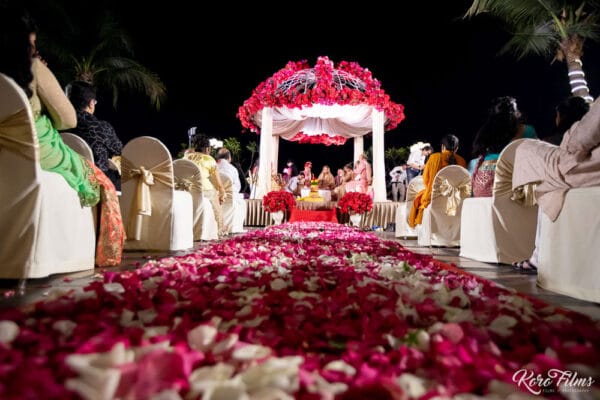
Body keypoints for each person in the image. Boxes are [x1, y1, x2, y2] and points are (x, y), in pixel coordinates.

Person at [0, 6, 124, 267]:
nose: (34, 50)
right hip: (34, 153)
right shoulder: (31, 67)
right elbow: (68, 119)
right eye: (32, 44)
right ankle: (90, 255)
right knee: (100, 181)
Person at [511, 96, 599, 274]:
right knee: (548, 181)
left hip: (583, 165)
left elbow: (582, 138)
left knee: (525, 150)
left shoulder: (533, 134)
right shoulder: (530, 130)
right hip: (589, 166)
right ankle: (537, 256)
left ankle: (537, 256)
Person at [65, 80, 123, 190]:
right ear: (91, 103)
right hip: (97, 181)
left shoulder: (59, 125)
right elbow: (119, 150)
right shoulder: (100, 127)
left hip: (67, 175)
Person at [408, 134, 467, 227]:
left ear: (443, 146)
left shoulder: (434, 158)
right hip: (456, 198)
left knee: (418, 197)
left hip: (434, 197)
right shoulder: (462, 161)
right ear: (457, 148)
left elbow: (426, 179)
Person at [468, 96, 522, 197]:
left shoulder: (486, 128)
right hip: (505, 179)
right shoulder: (519, 129)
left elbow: (477, 148)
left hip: (482, 183)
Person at [185, 133, 228, 237]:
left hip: (187, 190)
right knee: (217, 198)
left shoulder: (186, 157)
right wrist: (222, 192)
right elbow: (218, 183)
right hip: (204, 191)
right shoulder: (209, 159)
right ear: (208, 149)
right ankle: (220, 229)